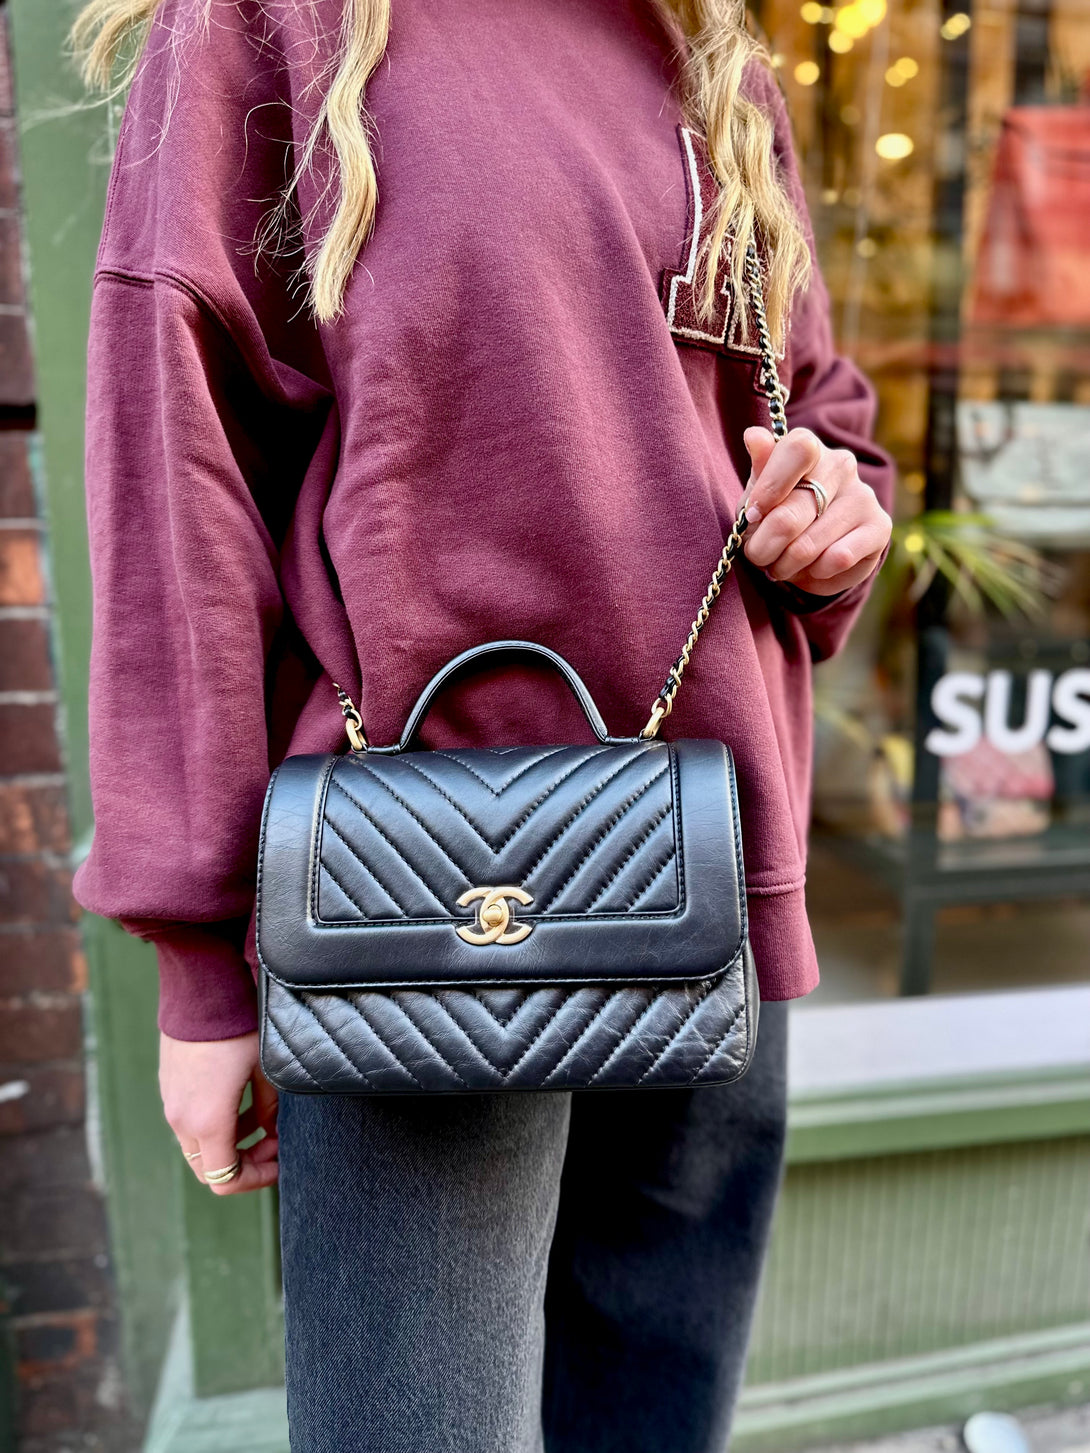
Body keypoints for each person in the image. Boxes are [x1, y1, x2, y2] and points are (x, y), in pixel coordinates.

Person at [71, 0, 894, 1448]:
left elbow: (812, 404)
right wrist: (199, 961)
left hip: (708, 874)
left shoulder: (707, 48)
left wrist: (830, 512)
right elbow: (177, 479)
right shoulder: (274, 24)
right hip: (421, 905)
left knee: (655, 1417)